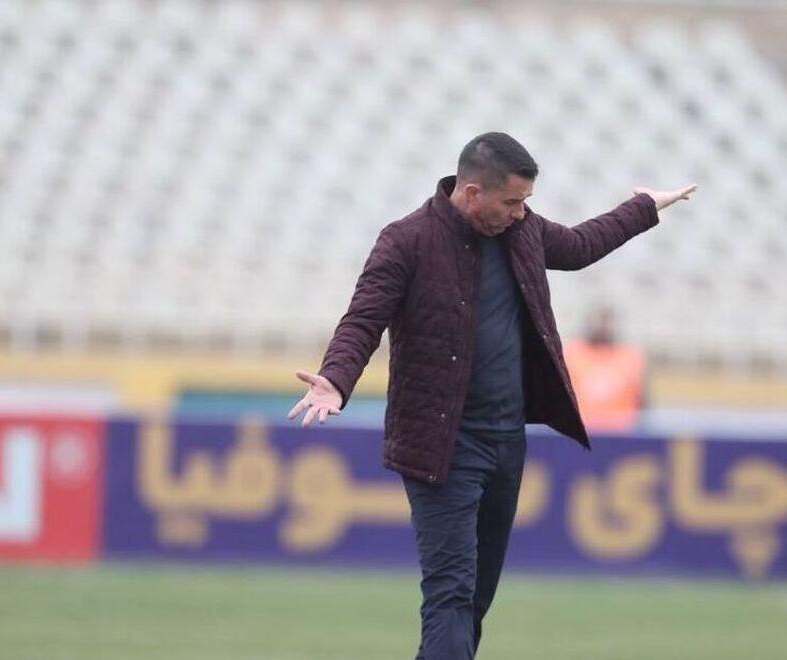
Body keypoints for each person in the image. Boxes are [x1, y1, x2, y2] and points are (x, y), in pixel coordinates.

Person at [288, 131, 695, 659]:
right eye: (512, 201)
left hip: (505, 443)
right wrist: (336, 378)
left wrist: (643, 207)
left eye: (525, 201)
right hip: (441, 447)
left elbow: (579, 247)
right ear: (472, 192)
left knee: (474, 599)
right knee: (451, 593)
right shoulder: (406, 240)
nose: (521, 213)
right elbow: (363, 319)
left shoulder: (522, 231)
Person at [563, 305, 648, 432]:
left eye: (606, 321)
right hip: (578, 430)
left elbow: (643, 401)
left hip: (622, 432)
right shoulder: (571, 353)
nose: (602, 327)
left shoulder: (630, 356)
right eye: (598, 320)